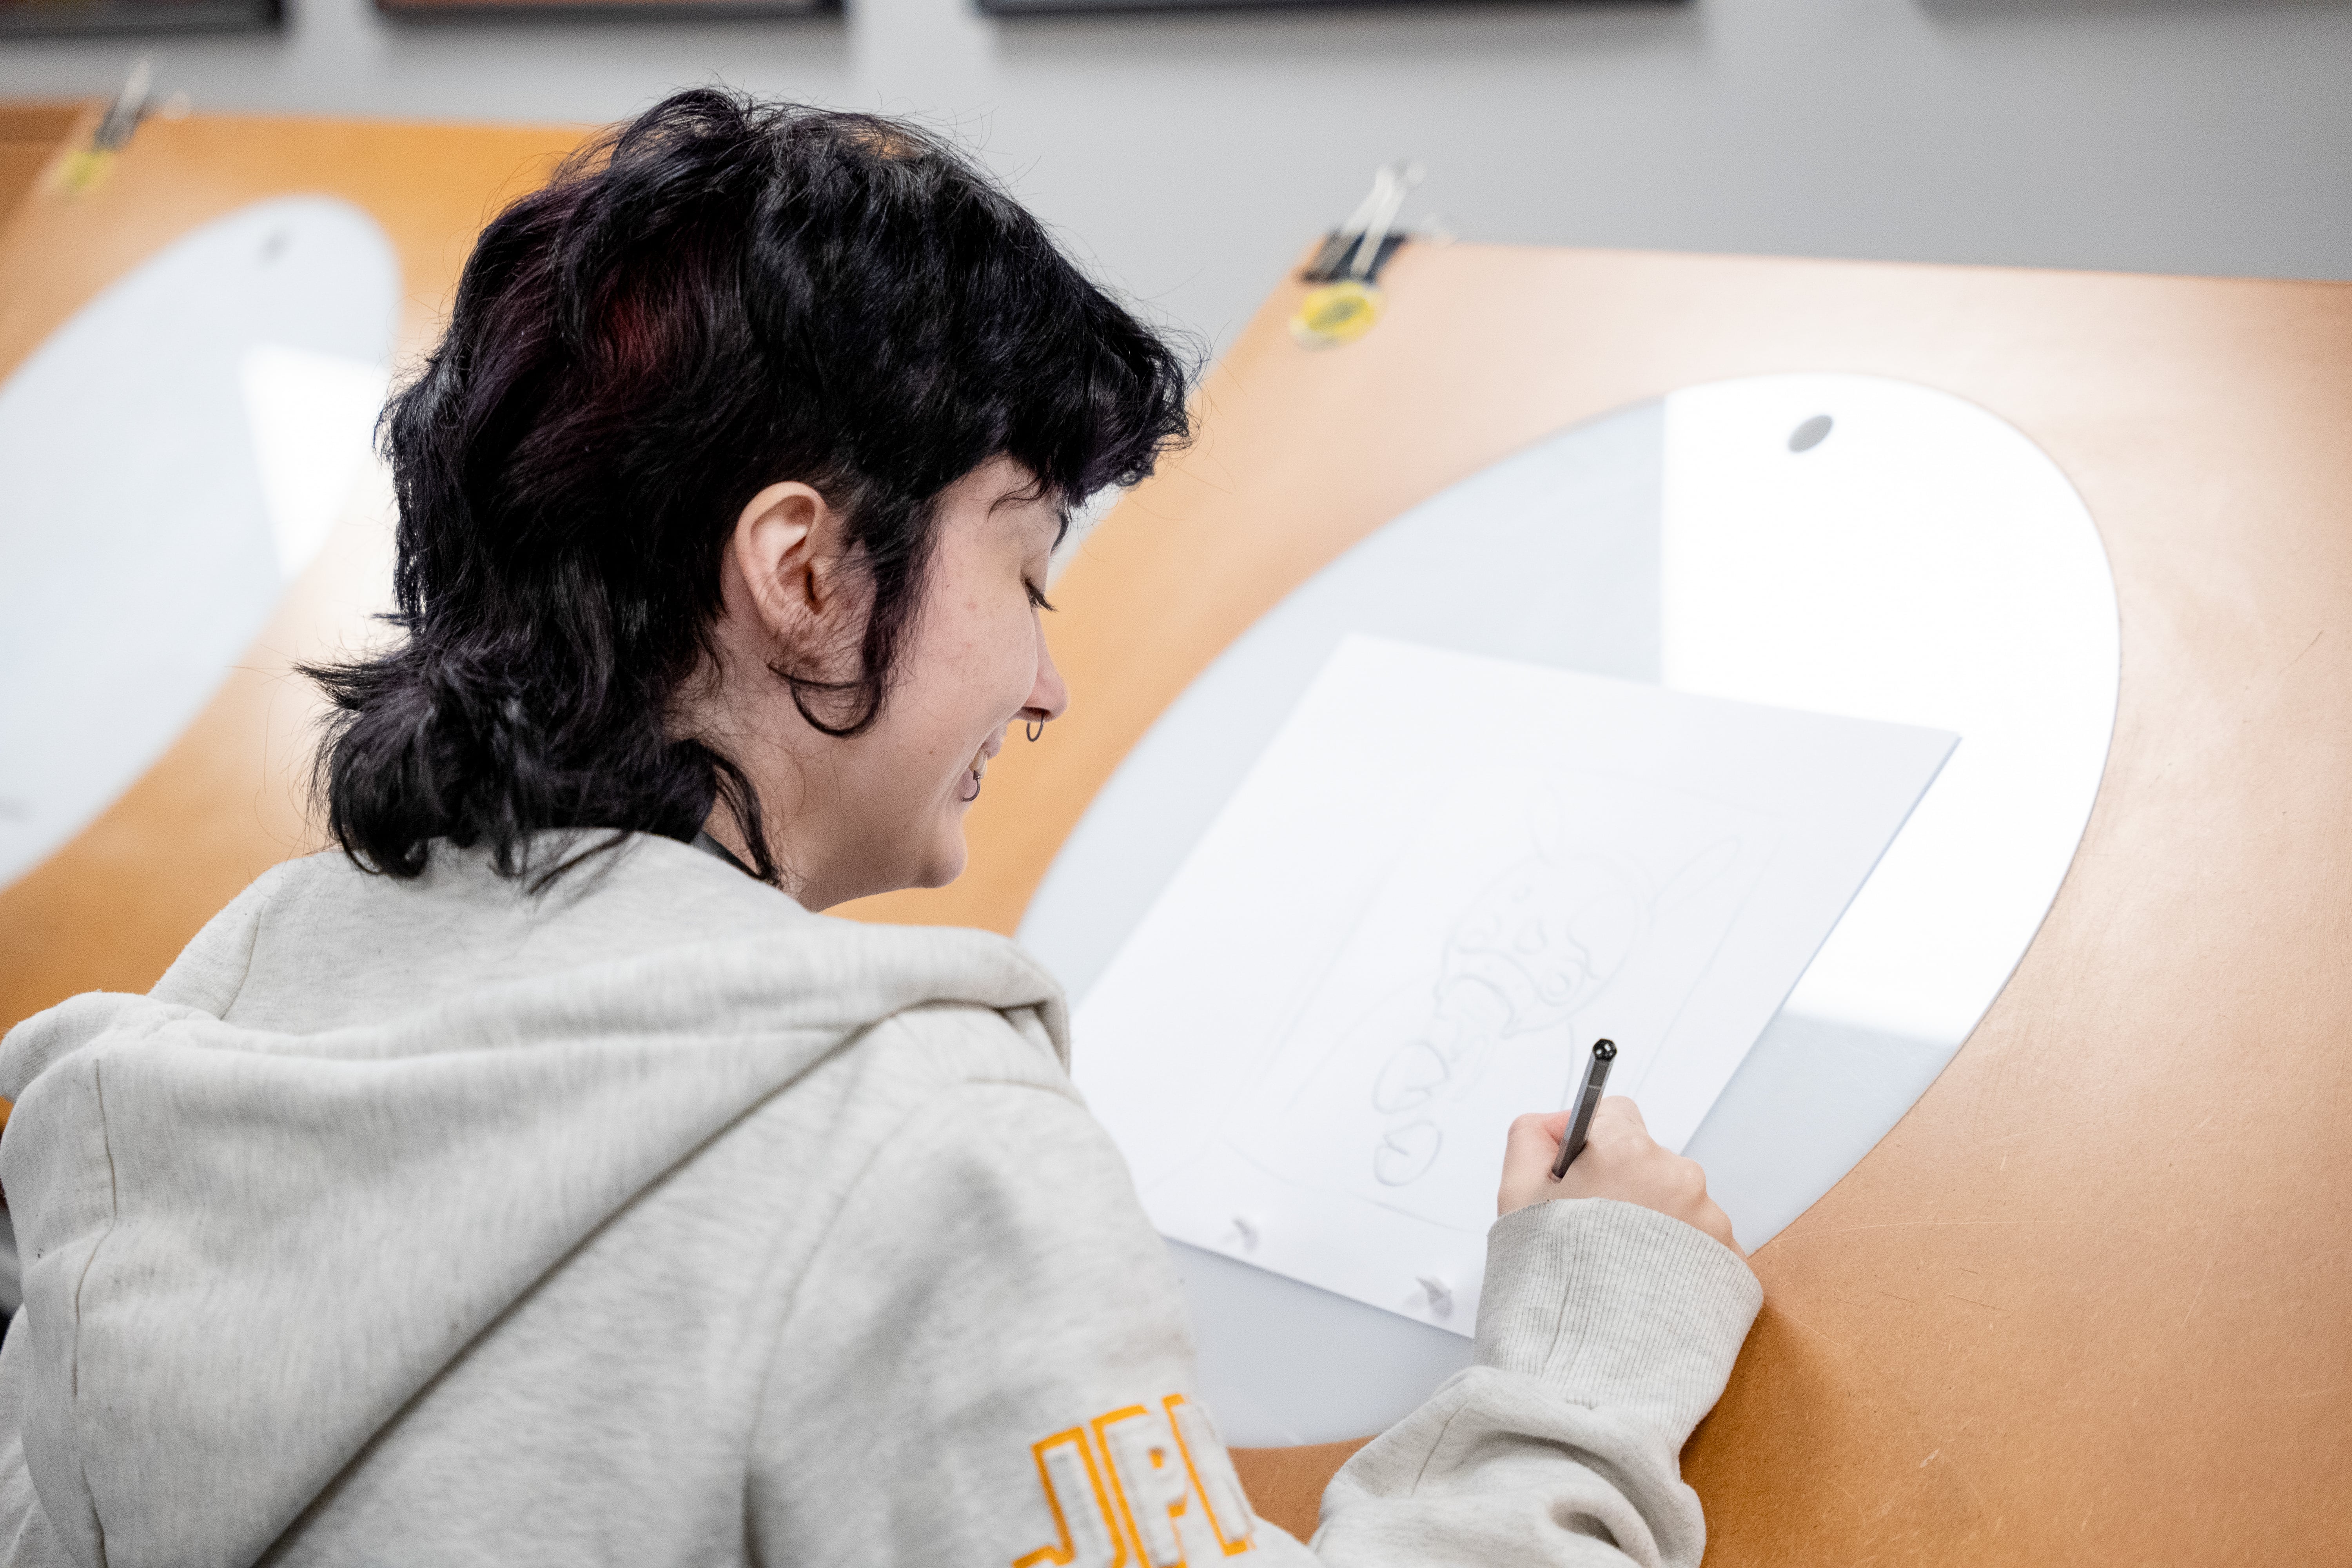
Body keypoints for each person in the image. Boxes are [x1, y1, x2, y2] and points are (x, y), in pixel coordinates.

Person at [0, 90, 1759, 1567]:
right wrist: (1584, 1368)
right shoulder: (906, 1143)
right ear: (807, 573)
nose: (1049, 682)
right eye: (1025, 565)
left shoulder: (211, 1021)